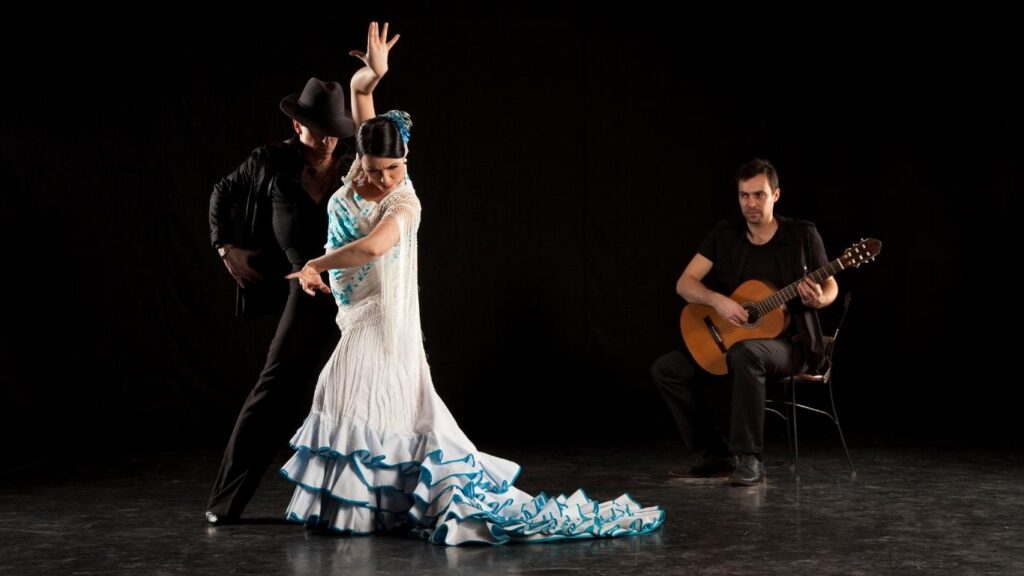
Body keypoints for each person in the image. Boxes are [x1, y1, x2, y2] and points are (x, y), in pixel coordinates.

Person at [280, 22, 665, 545]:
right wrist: (372, 73)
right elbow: (360, 93)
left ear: (405, 163)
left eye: (393, 169)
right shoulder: (357, 174)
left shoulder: (405, 201)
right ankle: (373, 508)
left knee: (344, 395)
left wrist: (315, 266)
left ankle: (364, 510)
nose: (381, 179)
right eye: (372, 169)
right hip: (353, 314)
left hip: (380, 322)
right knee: (371, 410)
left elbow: (371, 249)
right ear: (359, 158)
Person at [205, 77, 356, 524]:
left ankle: (362, 507)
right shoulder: (270, 162)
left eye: (335, 129)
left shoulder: (352, 163)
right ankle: (225, 502)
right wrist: (224, 247)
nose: (329, 139)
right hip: (304, 289)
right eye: (319, 129)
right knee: (274, 391)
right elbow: (221, 194)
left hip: (355, 287)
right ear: (297, 125)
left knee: (357, 392)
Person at [650, 159, 838, 486]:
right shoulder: (725, 235)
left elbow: (831, 286)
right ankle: (715, 455)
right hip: (732, 338)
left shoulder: (803, 235)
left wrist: (818, 299)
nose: (750, 203)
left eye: (759, 195)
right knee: (667, 369)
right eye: (743, 196)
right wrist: (718, 301)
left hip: (790, 345)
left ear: (776, 195)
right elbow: (685, 283)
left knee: (746, 353)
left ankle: (750, 460)